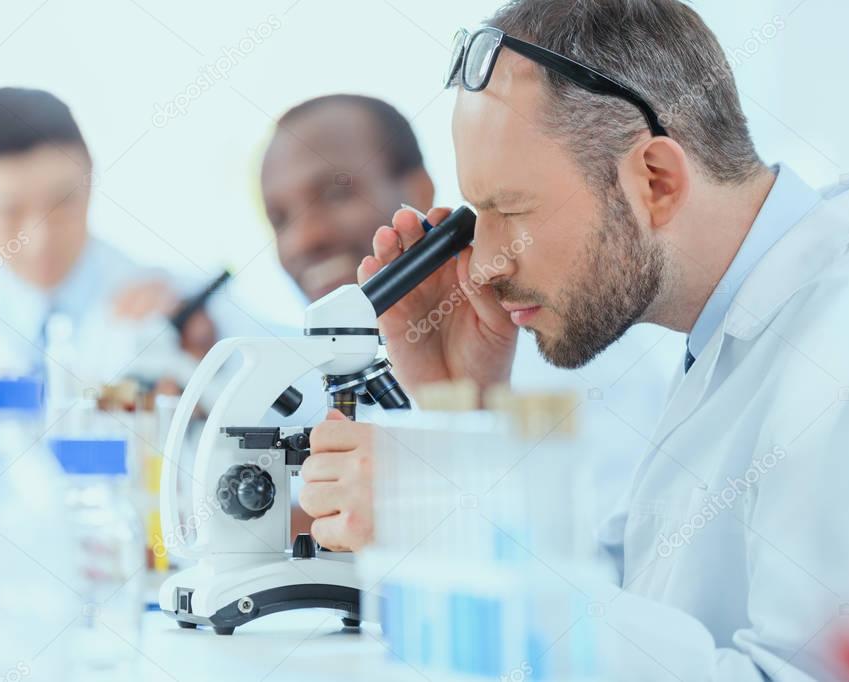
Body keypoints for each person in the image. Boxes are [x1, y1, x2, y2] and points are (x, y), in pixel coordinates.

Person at [297, 1, 849, 679]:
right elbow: (623, 607)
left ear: (654, 180)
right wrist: (466, 415)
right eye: (479, 217)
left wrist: (439, 519)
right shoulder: (721, 335)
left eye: (512, 211)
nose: (483, 264)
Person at [260, 93, 679, 521]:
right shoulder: (350, 367)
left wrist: (401, 513)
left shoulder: (564, 346)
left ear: (418, 187)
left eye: (335, 194)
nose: (303, 239)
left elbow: (599, 566)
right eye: (279, 219)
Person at [0, 87, 213, 383]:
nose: (40, 242)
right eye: (8, 211)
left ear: (90, 175)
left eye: (63, 202)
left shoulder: (184, 307)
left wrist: (201, 371)